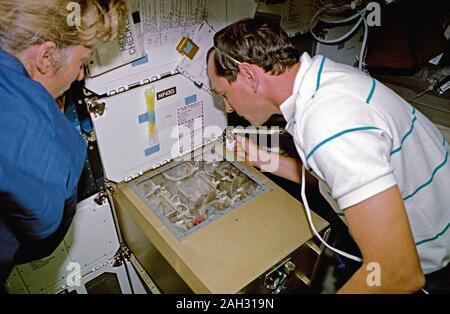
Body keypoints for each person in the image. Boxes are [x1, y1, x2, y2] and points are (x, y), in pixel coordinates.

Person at [207, 18, 450, 293]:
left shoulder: (328, 121)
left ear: (249, 76)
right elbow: (330, 178)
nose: (227, 107)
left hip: (431, 269)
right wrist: (261, 159)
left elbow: (398, 274)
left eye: (224, 94)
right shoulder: (323, 80)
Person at [0, 0, 127, 289]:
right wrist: (48, 116)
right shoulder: (27, 128)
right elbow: (45, 226)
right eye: (82, 62)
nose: (80, 75)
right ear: (45, 57)